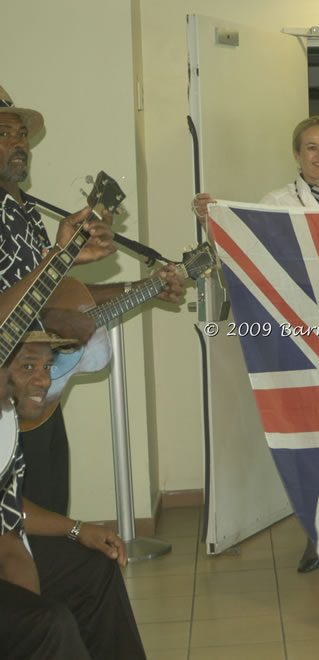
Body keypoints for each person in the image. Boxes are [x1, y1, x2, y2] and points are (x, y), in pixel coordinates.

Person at [0, 84, 184, 516]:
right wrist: (59, 258)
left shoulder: (26, 211)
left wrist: (148, 285)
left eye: (22, 133)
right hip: (6, 397)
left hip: (37, 395)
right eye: (5, 133)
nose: (19, 143)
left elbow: (49, 299)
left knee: (49, 510)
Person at [194, 115, 319, 574]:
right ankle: (315, 534)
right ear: (296, 154)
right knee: (311, 438)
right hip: (298, 337)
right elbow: (246, 249)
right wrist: (213, 220)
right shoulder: (275, 202)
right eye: (311, 148)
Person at [0, 331, 146, 659]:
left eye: (47, 368)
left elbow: (9, 511)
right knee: (48, 624)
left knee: (93, 567)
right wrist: (30, 610)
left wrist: (78, 529)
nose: (43, 380)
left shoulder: (7, 420)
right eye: (27, 367)